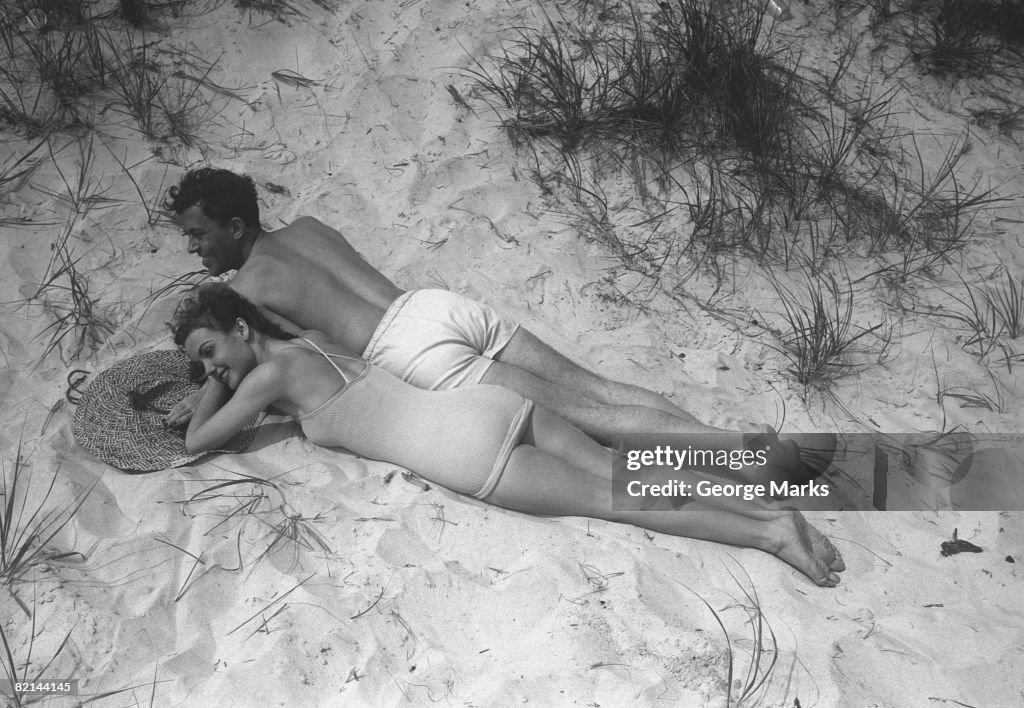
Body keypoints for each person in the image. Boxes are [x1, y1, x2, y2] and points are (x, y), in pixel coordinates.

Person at [169, 283, 846, 587]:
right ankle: (763, 506)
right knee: (625, 473)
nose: (212, 368)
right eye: (203, 364)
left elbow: (199, 442)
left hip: (465, 453)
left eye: (209, 351)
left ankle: (769, 532)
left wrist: (215, 386)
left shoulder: (263, 378)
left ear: (240, 329)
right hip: (484, 404)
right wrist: (223, 365)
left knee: (618, 499)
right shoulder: (311, 346)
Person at [163, 168, 789, 461]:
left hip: (406, 353)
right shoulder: (308, 225)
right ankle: (759, 456)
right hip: (433, 305)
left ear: (235, 226)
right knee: (600, 390)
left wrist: (196, 396)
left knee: (595, 419)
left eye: (198, 235)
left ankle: (760, 467)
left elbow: (272, 365)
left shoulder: (243, 292)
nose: (195, 248)